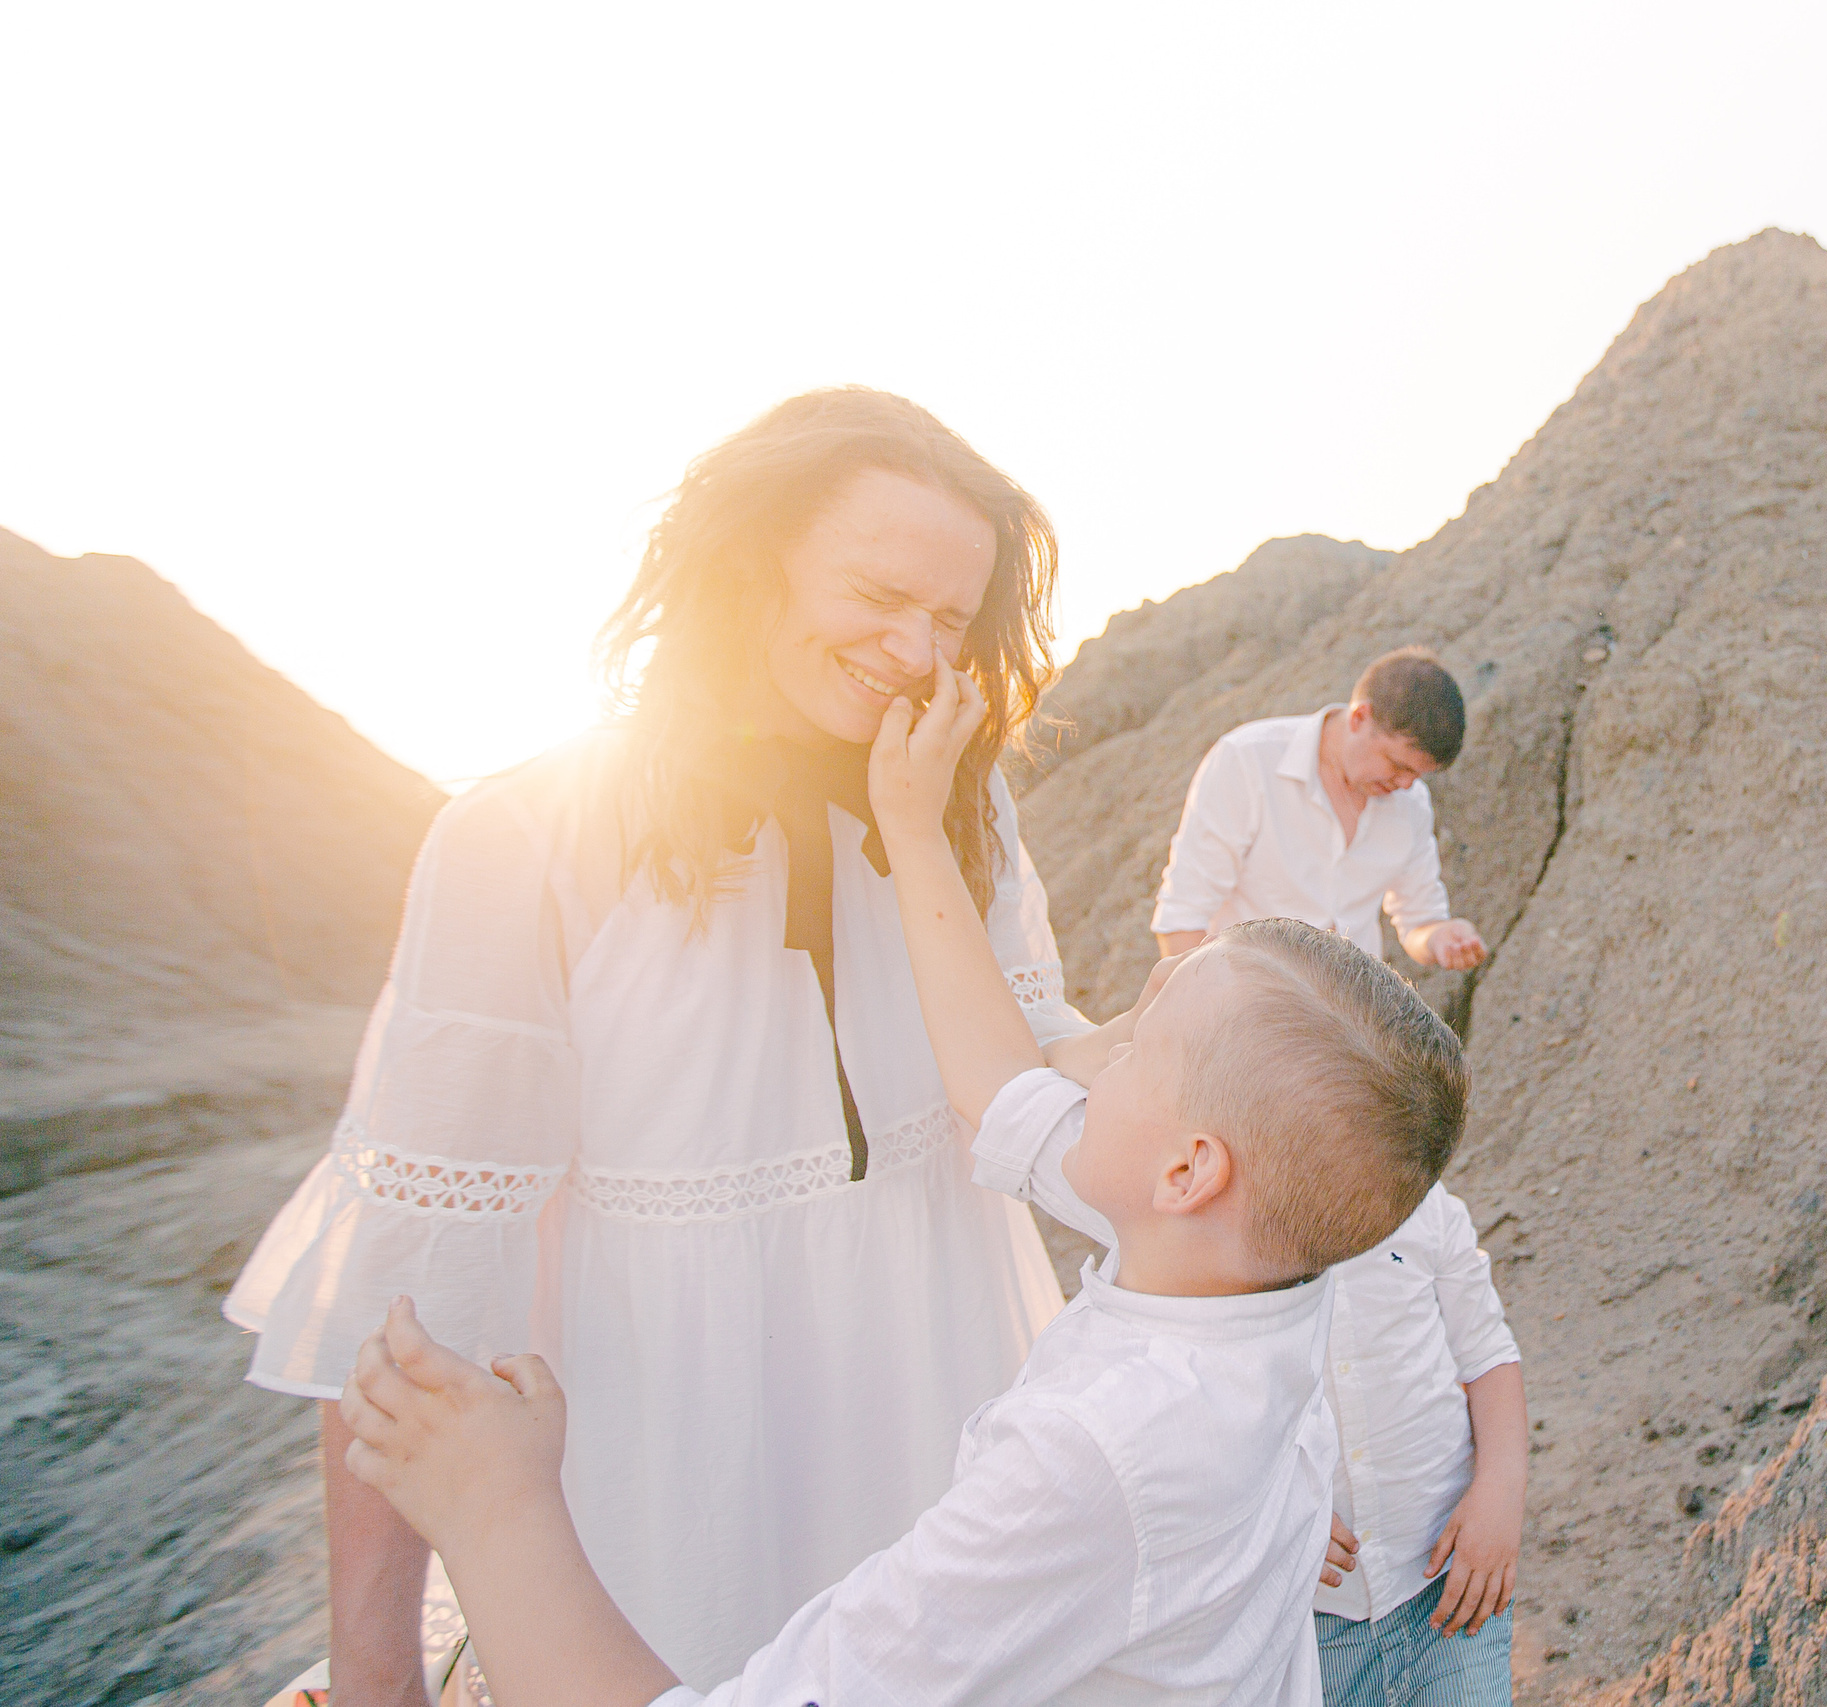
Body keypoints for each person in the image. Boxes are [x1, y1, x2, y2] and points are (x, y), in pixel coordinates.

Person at [330, 650, 1472, 1707]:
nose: (1084, 1056)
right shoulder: (1256, 1278)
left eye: (1130, 1048)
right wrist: (915, 831)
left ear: (1185, 1170)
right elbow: (995, 1079)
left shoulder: (1086, 1462)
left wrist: (498, 1511)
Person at [222, 388, 1094, 1698]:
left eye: (951, 619)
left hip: (947, 1400)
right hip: (673, 1466)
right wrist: (374, 1670)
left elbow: (1030, 1078)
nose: (917, 650)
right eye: (877, 595)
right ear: (749, 563)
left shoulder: (961, 806)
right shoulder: (526, 835)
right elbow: (416, 1301)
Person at [1311, 1181, 1525, 1706]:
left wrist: (1500, 1493)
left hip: (1451, 1586)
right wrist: (1275, 1515)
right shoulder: (1231, 1235)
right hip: (1309, 1620)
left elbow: (1487, 1353)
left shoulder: (1421, 1202)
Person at [1152, 647, 1488, 972]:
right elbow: (1183, 914)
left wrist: (1440, 937)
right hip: (1245, 993)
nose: (1405, 784)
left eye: (1417, 774)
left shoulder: (1411, 803)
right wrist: (1200, 1000)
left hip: (1352, 1004)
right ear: (1359, 717)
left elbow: (1418, 921)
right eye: (1397, 765)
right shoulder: (1248, 760)